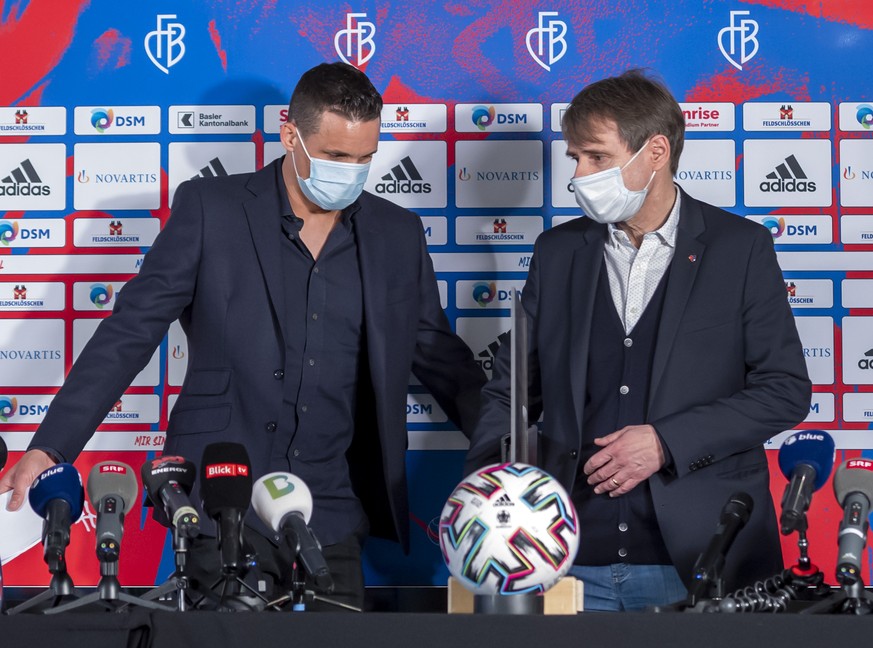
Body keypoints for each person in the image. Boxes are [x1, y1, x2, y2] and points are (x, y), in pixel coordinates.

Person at [0, 62, 486, 609]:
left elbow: (443, 360)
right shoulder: (212, 210)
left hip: (332, 514)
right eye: (334, 157)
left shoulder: (396, 234)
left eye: (365, 159)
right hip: (220, 504)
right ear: (289, 135)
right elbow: (130, 331)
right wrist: (51, 445)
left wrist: (514, 445)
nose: (351, 173)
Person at [464, 69, 811, 612]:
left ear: (655, 151)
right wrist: (488, 490)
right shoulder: (558, 253)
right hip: (566, 560)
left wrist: (666, 442)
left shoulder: (740, 248)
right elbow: (509, 393)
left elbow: (784, 389)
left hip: (704, 561)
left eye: (596, 157)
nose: (579, 176)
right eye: (574, 158)